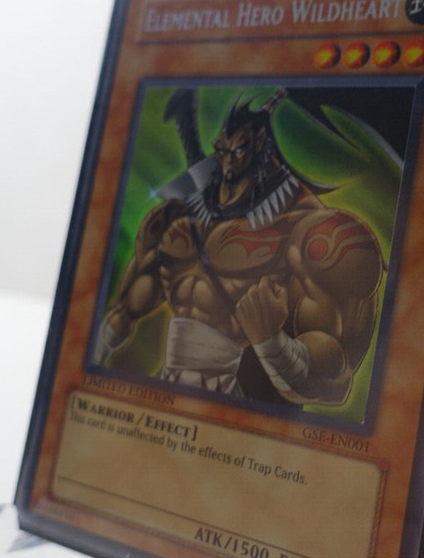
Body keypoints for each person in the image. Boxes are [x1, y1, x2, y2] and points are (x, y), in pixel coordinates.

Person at [95, 90, 383, 407]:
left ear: (262, 146)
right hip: (166, 395)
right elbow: (122, 311)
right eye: (222, 149)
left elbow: (333, 382)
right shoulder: (174, 221)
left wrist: (272, 344)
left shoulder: (311, 234)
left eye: (238, 149)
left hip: (240, 410)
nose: (227, 159)